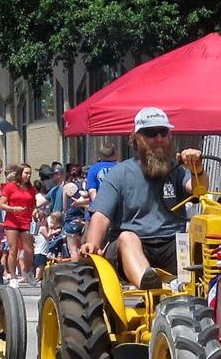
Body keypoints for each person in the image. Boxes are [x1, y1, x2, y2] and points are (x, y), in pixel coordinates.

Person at [81, 107, 206, 290]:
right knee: (127, 237)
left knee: (196, 239)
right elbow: (101, 216)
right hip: (131, 247)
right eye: (150, 133)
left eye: (163, 132)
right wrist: (92, 243)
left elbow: (198, 190)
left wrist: (197, 168)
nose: (159, 139)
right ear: (136, 138)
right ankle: (149, 285)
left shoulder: (177, 171)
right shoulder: (119, 174)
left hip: (171, 244)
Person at [0, 164, 37, 285]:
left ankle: (26, 271)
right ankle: (13, 277)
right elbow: (1, 204)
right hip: (12, 221)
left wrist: (36, 212)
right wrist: (13, 209)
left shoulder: (31, 189)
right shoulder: (10, 187)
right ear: (20, 173)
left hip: (26, 222)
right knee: (13, 249)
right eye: (26, 173)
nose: (28, 175)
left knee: (29, 250)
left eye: (30, 173)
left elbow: (33, 205)